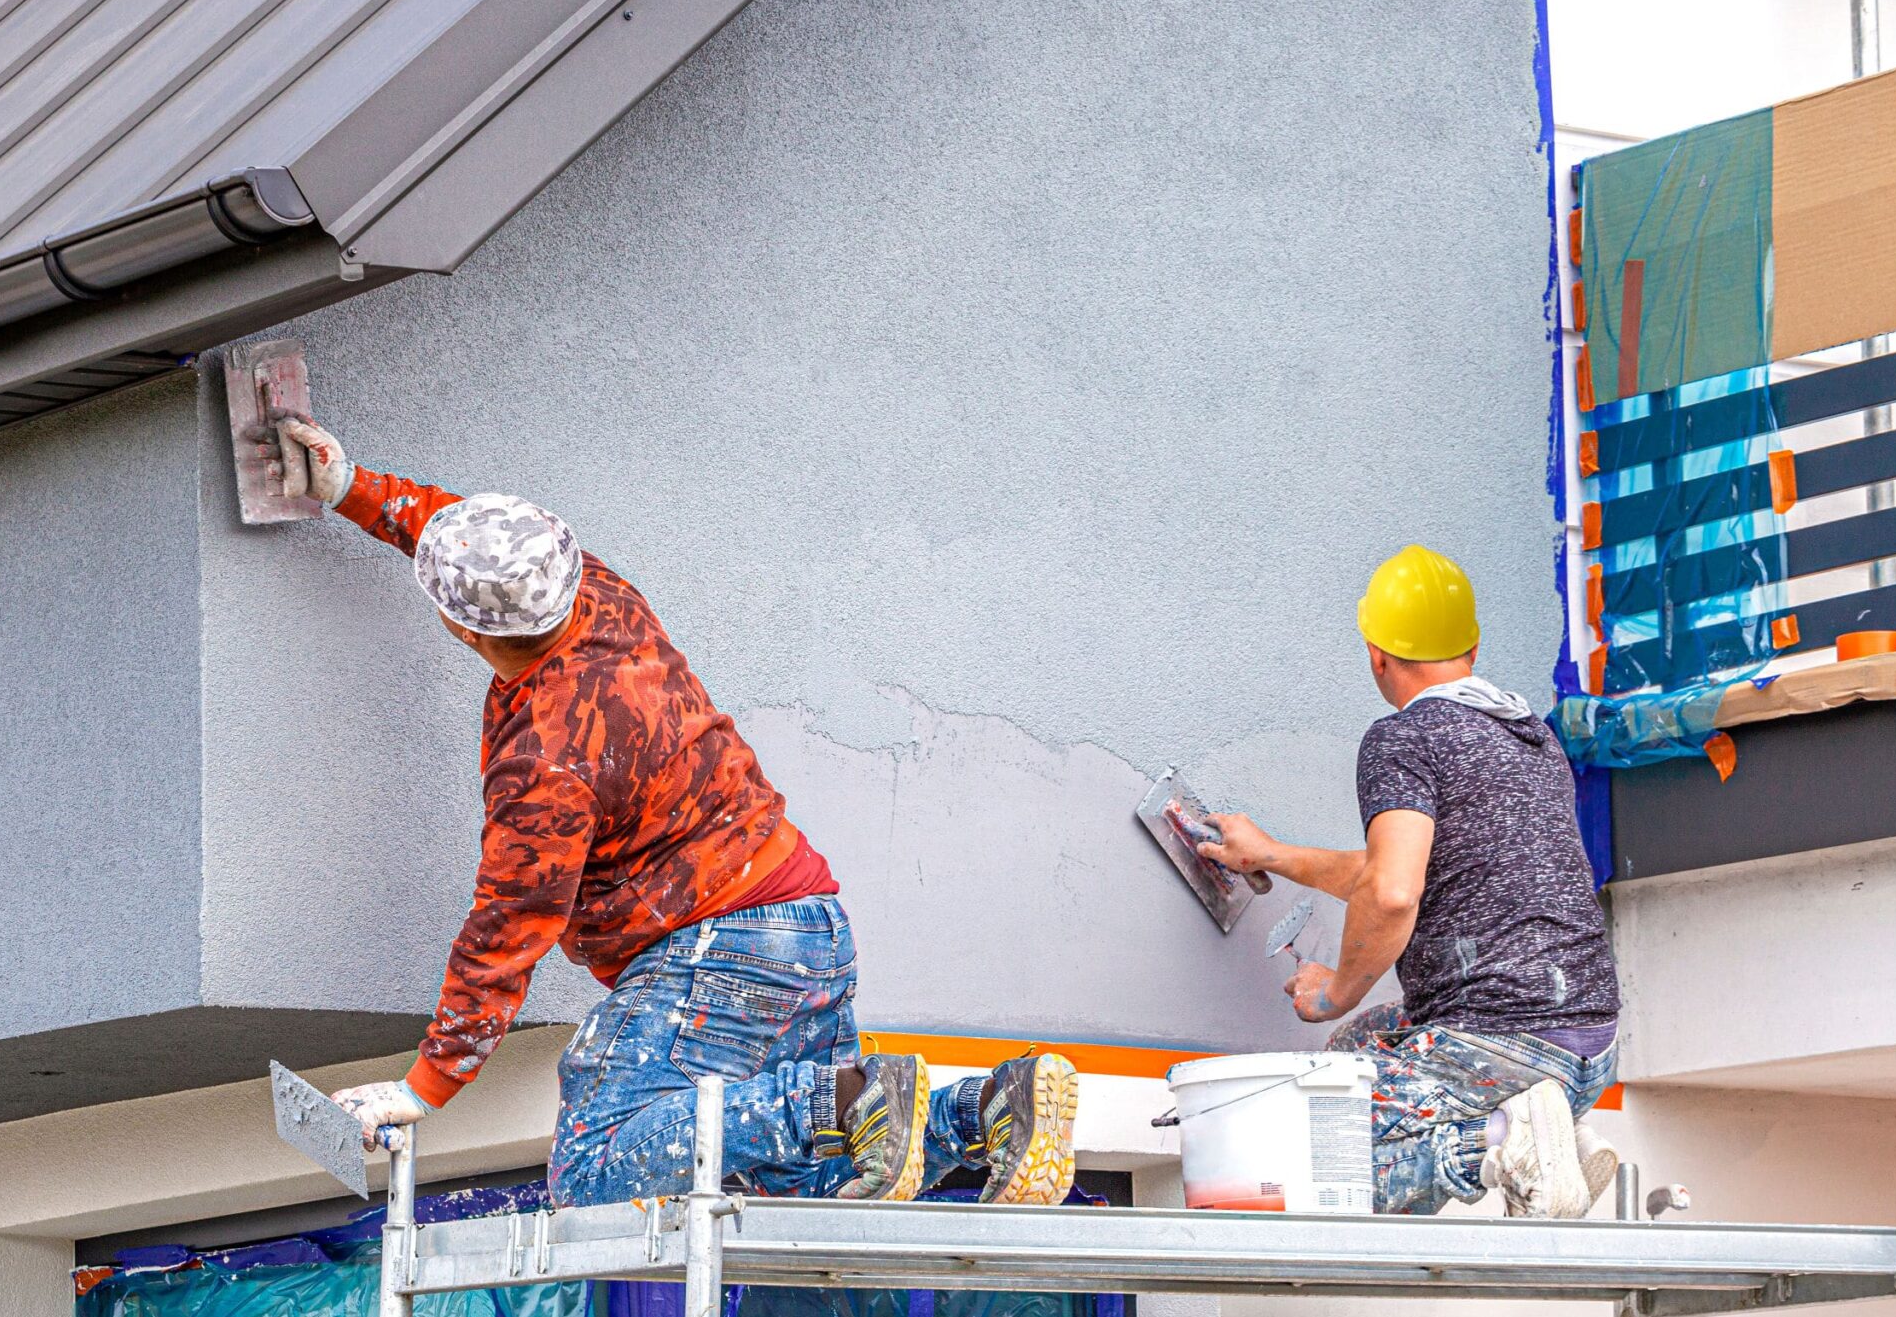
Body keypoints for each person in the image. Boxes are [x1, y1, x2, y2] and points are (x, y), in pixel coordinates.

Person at [265, 417, 1079, 1208]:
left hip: (718, 949)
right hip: (809, 923)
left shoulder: (545, 752)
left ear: (459, 624)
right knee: (810, 1179)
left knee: (595, 1168)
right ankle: (982, 1108)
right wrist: (349, 487)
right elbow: (475, 546)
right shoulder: (603, 594)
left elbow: (509, 924)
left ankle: (845, 1096)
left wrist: (427, 1084)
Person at [1195, 545, 1621, 1218]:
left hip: (1500, 1039)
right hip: (1589, 1043)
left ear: (1377, 654)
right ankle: (1558, 1133)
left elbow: (1394, 893)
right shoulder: (1530, 739)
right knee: (1352, 1054)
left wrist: (1337, 988)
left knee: (1318, 1156)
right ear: (1472, 646)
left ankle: (1499, 1144)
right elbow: (1398, 871)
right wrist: (1272, 854)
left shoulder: (1404, 737)